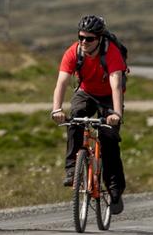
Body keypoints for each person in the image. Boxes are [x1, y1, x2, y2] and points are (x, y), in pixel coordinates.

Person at [51, 14, 126, 215]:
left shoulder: (111, 54)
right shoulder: (73, 52)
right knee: (75, 116)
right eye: (81, 37)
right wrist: (57, 109)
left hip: (109, 96)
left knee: (109, 138)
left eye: (89, 38)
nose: (84, 42)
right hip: (86, 92)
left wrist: (116, 113)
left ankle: (114, 189)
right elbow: (62, 83)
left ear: (100, 38)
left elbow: (116, 84)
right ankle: (72, 169)